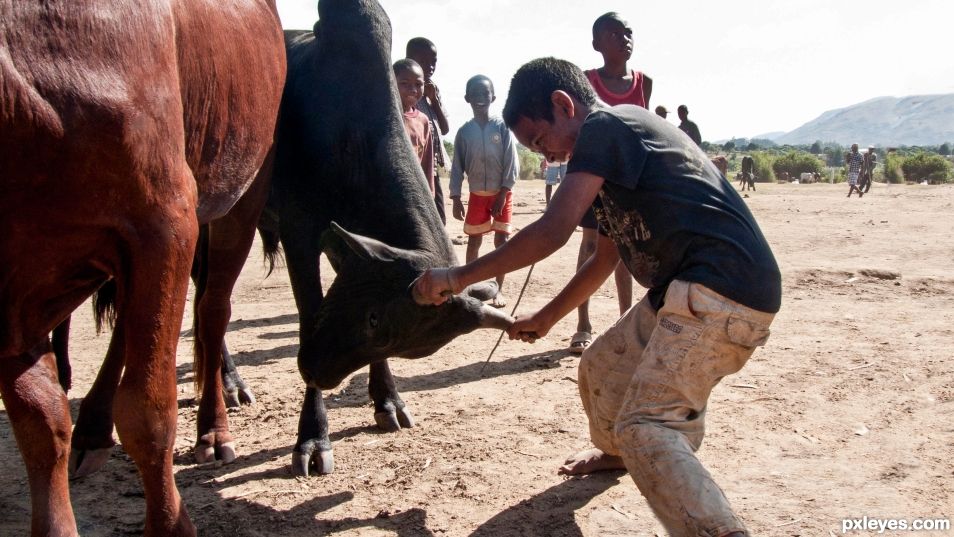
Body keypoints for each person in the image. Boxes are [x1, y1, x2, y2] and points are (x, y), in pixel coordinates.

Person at [413, 57, 781, 537]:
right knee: (601, 366)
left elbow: (553, 231)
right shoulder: (605, 165)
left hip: (722, 293)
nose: (545, 159)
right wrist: (547, 317)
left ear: (563, 106)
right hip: (684, 293)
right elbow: (604, 259)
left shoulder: (607, 127)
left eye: (539, 141)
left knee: (647, 427)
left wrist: (455, 277)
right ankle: (616, 454)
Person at [570, 11, 647, 353]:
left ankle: (625, 320)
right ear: (596, 43)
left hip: (627, 180)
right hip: (592, 178)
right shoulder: (586, 81)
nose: (624, 38)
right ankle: (582, 322)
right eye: (615, 34)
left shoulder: (644, 82)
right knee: (590, 246)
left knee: (626, 250)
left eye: (627, 32)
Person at [449, 74, 519, 308]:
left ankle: (498, 290)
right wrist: (456, 197)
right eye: (475, 94)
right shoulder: (464, 132)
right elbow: (457, 167)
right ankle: (471, 288)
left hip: (502, 194)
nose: (480, 98)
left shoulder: (503, 127)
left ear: (493, 97)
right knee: (474, 241)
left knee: (502, 242)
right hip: (477, 195)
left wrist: (503, 192)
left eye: (485, 93)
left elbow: (511, 162)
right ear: (467, 98)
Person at [407, 37, 451, 224]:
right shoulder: (400, 87)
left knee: (439, 219)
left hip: (430, 166)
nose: (431, 66)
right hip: (410, 165)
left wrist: (434, 101)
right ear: (410, 58)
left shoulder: (433, 89)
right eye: (425, 60)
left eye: (434, 61)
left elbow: (445, 129)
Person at [393, 59, 435, 195]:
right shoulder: (381, 116)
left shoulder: (422, 121)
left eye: (418, 84)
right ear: (391, 82)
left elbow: (427, 165)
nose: (413, 90)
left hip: (412, 195)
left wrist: (429, 196)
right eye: (404, 84)